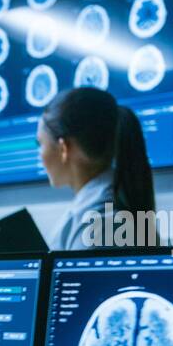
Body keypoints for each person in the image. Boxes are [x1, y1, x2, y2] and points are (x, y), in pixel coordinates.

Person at [37, 87, 157, 251]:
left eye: (40, 144)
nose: (40, 155)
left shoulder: (100, 227)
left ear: (64, 148)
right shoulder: (101, 210)